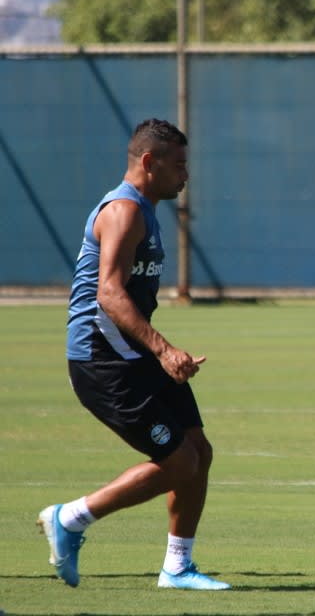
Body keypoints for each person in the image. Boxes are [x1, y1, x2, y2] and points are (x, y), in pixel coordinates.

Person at [38, 119, 229, 591]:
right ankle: (72, 518)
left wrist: (158, 353)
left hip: (133, 355)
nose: (186, 175)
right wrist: (164, 350)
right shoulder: (125, 210)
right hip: (102, 362)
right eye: (179, 164)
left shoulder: (146, 209)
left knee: (199, 452)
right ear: (149, 162)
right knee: (180, 461)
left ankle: (177, 568)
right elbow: (108, 294)